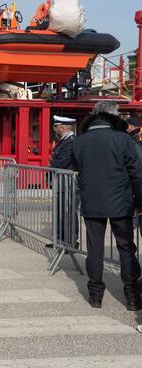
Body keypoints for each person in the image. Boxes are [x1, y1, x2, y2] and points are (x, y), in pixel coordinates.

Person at [72, 101, 142, 311]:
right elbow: (136, 173)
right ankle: (132, 296)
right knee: (126, 247)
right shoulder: (122, 139)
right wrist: (140, 201)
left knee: (95, 248)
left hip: (92, 200)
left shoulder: (80, 141)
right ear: (112, 116)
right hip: (121, 201)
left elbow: (76, 166)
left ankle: (95, 296)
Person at [47, 115, 77, 248]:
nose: (54, 129)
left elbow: (61, 162)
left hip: (67, 182)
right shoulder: (64, 141)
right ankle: (60, 239)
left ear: (62, 127)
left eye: (56, 126)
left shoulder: (70, 142)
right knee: (60, 211)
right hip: (61, 181)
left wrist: (51, 165)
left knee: (67, 212)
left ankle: (69, 241)